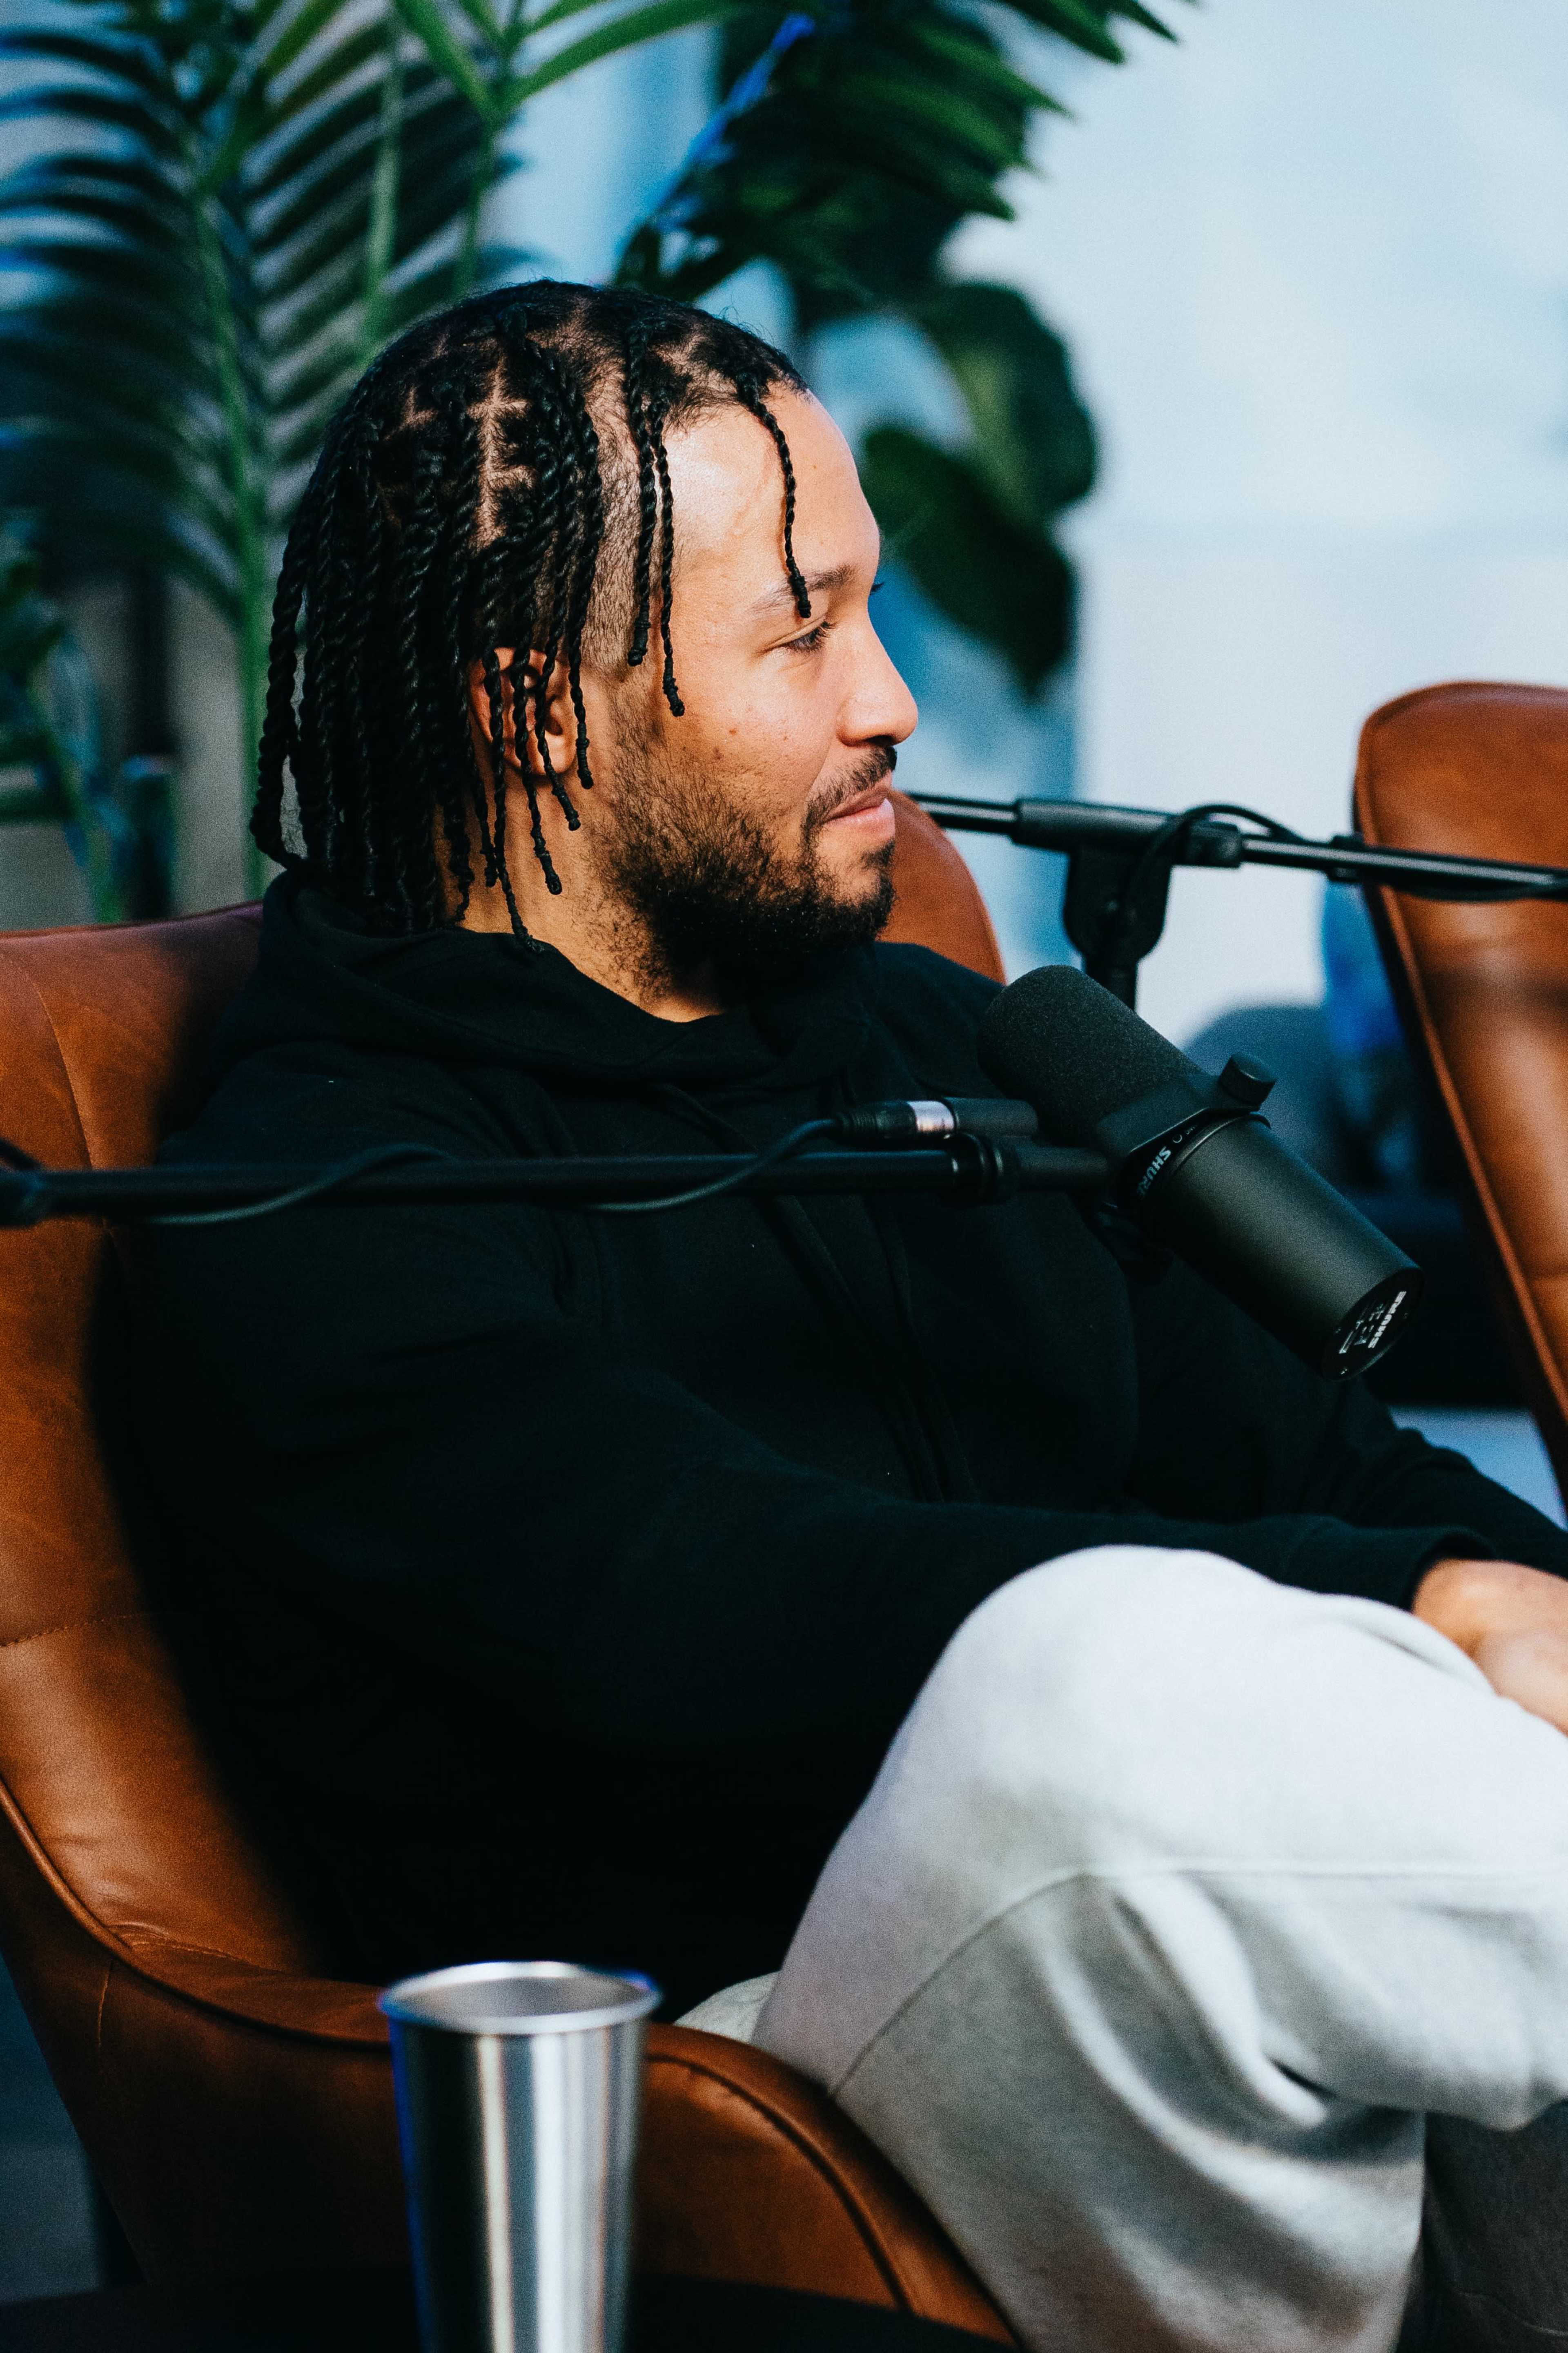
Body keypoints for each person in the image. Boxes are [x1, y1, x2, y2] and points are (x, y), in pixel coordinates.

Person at [138, 281, 1568, 2353]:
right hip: (740, 2043)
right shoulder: (317, 1193)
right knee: (1082, 1675)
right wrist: (1419, 1598)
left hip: (1199, 1989)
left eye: (867, 607)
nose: (892, 696)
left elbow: (1339, 1467)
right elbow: (729, 1599)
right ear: (541, 712)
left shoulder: (942, 1043)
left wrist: (1492, 1588)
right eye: (801, 631)